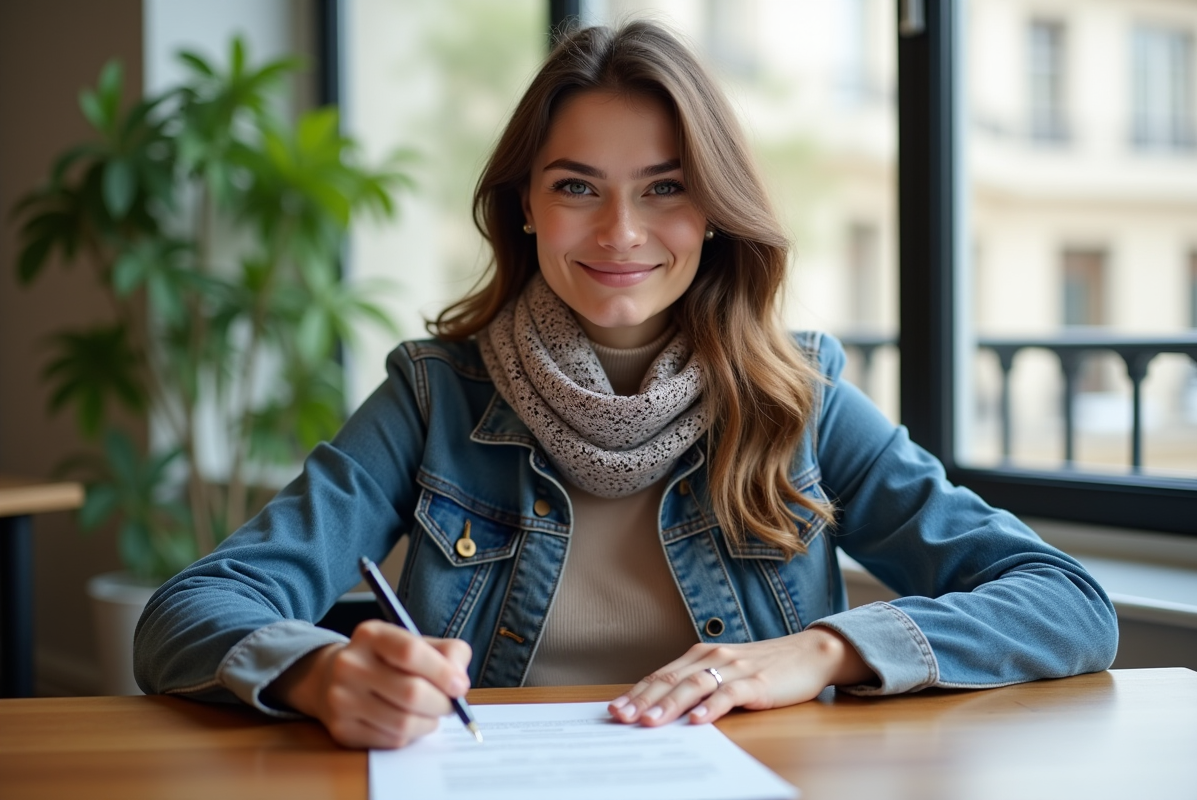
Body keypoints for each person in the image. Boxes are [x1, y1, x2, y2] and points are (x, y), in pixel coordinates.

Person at [134, 21, 1118, 750]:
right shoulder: (433, 395)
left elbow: (1067, 601)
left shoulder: (799, 396)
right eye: (575, 187)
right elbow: (189, 611)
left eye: (664, 186)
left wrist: (823, 650)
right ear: (525, 206)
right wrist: (316, 671)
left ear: (716, 210)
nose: (620, 235)